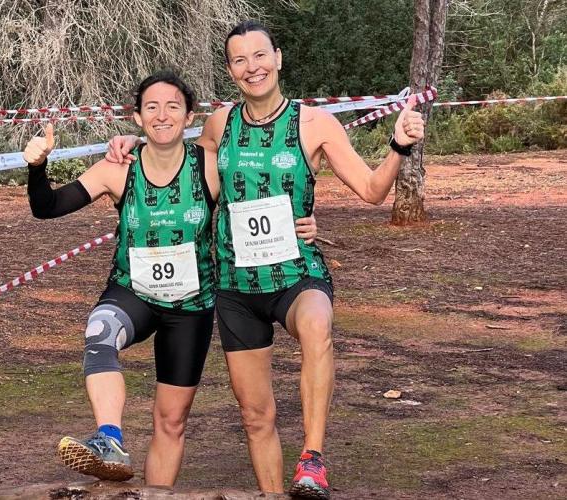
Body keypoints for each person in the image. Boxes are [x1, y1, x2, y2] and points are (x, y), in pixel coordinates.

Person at [106, 21, 425, 499]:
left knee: (317, 325)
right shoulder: (219, 125)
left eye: (259, 55)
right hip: (236, 287)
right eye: (240, 60)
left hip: (296, 272)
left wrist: (398, 145)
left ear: (278, 58)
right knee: (257, 416)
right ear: (230, 70)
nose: (251, 67)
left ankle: (312, 458)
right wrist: (130, 143)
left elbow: (373, 190)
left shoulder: (314, 123)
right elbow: (176, 159)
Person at [24, 70, 319, 486]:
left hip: (190, 308)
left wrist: (306, 221)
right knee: (100, 331)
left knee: (171, 420)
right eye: (152, 107)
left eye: (172, 107)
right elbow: (47, 207)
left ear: (189, 115)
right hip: (134, 293)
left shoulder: (211, 167)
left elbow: (265, 195)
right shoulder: (118, 169)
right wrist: (38, 167)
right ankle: (109, 438)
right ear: (137, 117)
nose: (162, 115)